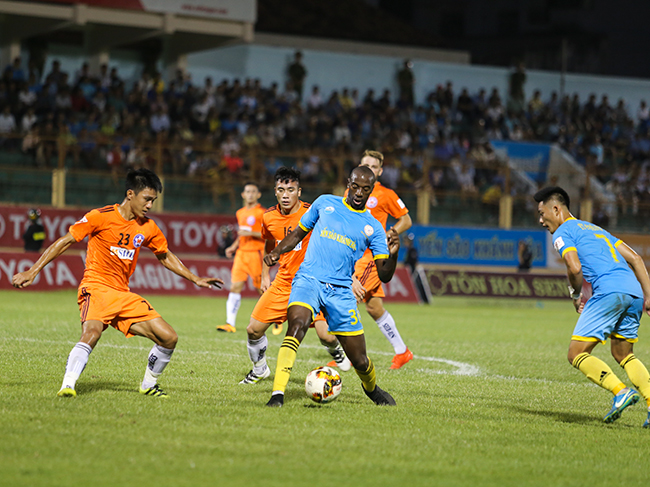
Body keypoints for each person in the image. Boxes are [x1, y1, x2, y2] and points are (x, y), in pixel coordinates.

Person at [12, 169, 223, 398]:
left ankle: (148, 384)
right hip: (96, 287)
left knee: (169, 337)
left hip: (123, 294)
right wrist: (33, 270)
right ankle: (68, 385)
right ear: (130, 194)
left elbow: (165, 255)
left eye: (154, 200)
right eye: (147, 199)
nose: (150, 205)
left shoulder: (148, 227)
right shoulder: (100, 216)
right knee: (92, 333)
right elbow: (65, 241)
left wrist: (195, 278)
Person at [264, 166, 400, 407]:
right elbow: (297, 234)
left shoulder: (373, 227)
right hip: (309, 279)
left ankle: (372, 390)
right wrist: (276, 252)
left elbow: (385, 275)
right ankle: (277, 394)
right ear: (348, 182)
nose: (359, 192)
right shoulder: (325, 203)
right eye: (355, 186)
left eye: (365, 189)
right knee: (297, 324)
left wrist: (394, 254)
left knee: (359, 360)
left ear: (370, 191)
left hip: (341, 292)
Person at [535, 186, 650, 427]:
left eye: (542, 213)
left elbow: (574, 267)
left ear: (556, 209)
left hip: (609, 291)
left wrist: (575, 294)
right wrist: (648, 296)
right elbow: (636, 259)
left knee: (576, 353)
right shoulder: (595, 229)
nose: (541, 220)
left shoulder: (563, 232)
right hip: (633, 292)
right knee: (623, 354)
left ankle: (620, 392)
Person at [240, 167, 351, 385]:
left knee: (326, 336)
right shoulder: (269, 217)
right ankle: (260, 369)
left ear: (299, 191)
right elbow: (269, 242)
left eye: (290, 190)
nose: (285, 195)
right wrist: (264, 275)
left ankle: (334, 349)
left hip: (314, 283)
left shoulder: (315, 214)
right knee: (253, 330)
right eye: (281, 190)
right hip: (283, 283)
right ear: (275, 192)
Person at [346, 150, 413, 369]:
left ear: (380, 172)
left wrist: (390, 233)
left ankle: (347, 358)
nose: (369, 169)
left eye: (374, 167)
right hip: (353, 254)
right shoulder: (351, 191)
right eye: (365, 165)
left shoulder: (385, 194)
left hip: (371, 257)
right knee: (374, 307)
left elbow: (406, 219)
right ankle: (402, 352)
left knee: (347, 299)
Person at [217, 182, 265, 333]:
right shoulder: (240, 212)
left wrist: (251, 234)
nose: (250, 194)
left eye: (253, 191)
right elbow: (241, 234)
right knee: (234, 286)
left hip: (256, 253)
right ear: (243, 195)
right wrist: (233, 246)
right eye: (247, 191)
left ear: (258, 195)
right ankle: (230, 323)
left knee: (261, 289)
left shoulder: (262, 213)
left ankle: (276, 318)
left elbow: (268, 234)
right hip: (241, 254)